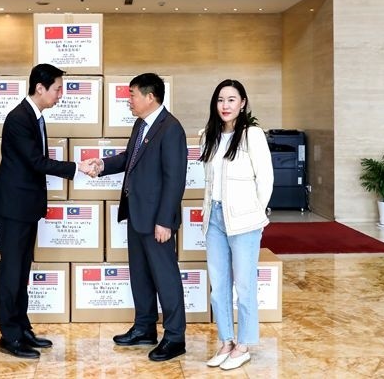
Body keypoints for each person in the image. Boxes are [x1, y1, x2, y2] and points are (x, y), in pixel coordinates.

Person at [0, 63, 95, 359]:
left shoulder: (35, 117)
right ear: (40, 88)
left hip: (25, 208)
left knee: (22, 271)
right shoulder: (19, 118)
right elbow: (36, 162)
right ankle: (10, 336)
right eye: (58, 89)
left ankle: (22, 329)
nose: (61, 95)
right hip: (13, 208)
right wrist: (77, 167)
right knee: (11, 272)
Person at [90, 73, 188, 362]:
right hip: (137, 214)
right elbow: (129, 159)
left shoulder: (171, 128)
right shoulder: (142, 124)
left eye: (132, 95)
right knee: (140, 275)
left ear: (150, 96)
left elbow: (174, 179)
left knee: (165, 278)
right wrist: (102, 164)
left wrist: (165, 221)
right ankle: (145, 327)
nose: (128, 101)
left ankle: (175, 337)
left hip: (157, 220)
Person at [198, 79, 273, 371]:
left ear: (242, 103)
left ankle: (243, 346)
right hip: (215, 218)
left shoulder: (252, 135)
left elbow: (265, 179)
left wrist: (256, 214)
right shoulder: (209, 136)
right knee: (218, 286)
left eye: (231, 100)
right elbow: (209, 182)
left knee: (244, 284)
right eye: (220, 100)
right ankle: (226, 341)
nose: (225, 105)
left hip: (244, 220)